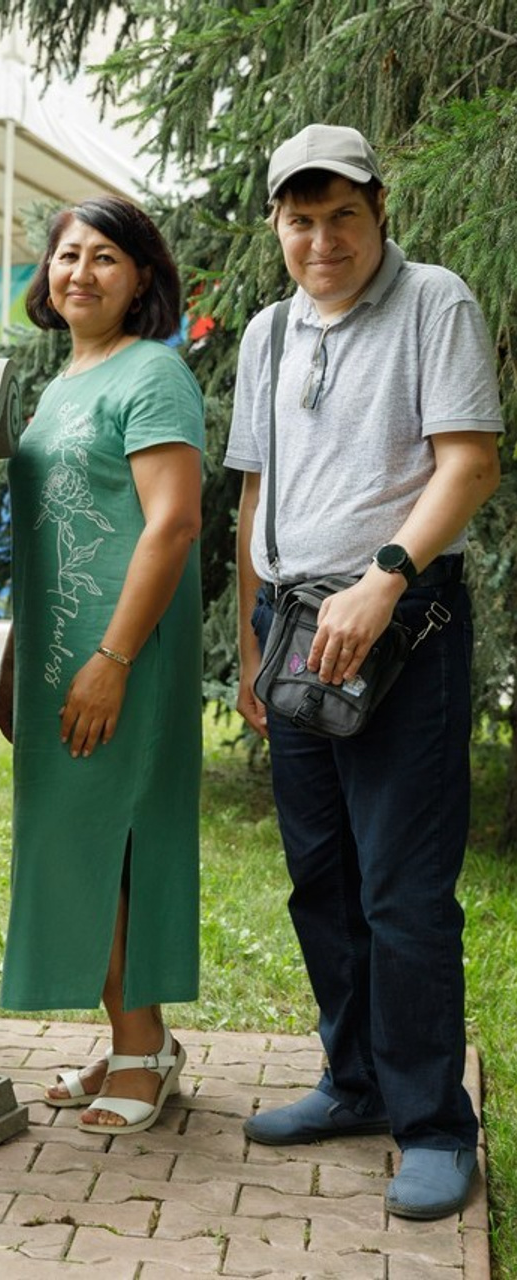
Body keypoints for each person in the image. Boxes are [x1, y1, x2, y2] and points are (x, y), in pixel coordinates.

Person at [228, 124, 501, 1220]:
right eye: (299, 218)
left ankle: (433, 1121)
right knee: (321, 880)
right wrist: (253, 642)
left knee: (401, 892)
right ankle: (353, 1081)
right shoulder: (263, 331)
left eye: (340, 213)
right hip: (293, 621)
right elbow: (252, 487)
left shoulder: (432, 300)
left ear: (377, 210)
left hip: (405, 621)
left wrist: (385, 574)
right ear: (275, 226)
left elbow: (468, 460)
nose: (320, 237)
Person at [0, 196, 203, 1134]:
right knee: (76, 841)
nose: (80, 271)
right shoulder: (64, 379)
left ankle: (143, 1046)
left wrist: (113, 658)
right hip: (59, 655)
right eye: (67, 255)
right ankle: (130, 1038)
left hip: (122, 650)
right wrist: (14, 667)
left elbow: (174, 523)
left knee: (121, 839)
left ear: (143, 278)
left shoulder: (152, 373)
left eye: (106, 257)